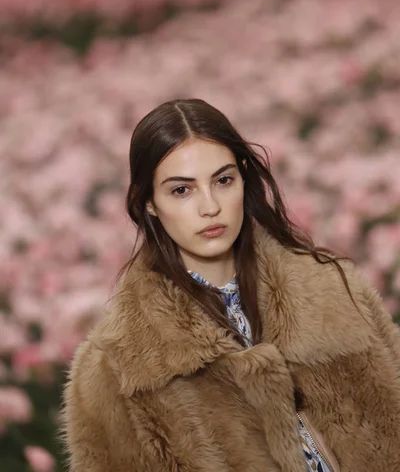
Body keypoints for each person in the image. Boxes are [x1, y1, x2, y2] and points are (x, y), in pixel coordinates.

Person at [62, 98, 400, 472]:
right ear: (149, 204)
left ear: (243, 179)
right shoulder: (118, 368)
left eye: (223, 181)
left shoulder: (335, 293)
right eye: (181, 190)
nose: (210, 206)